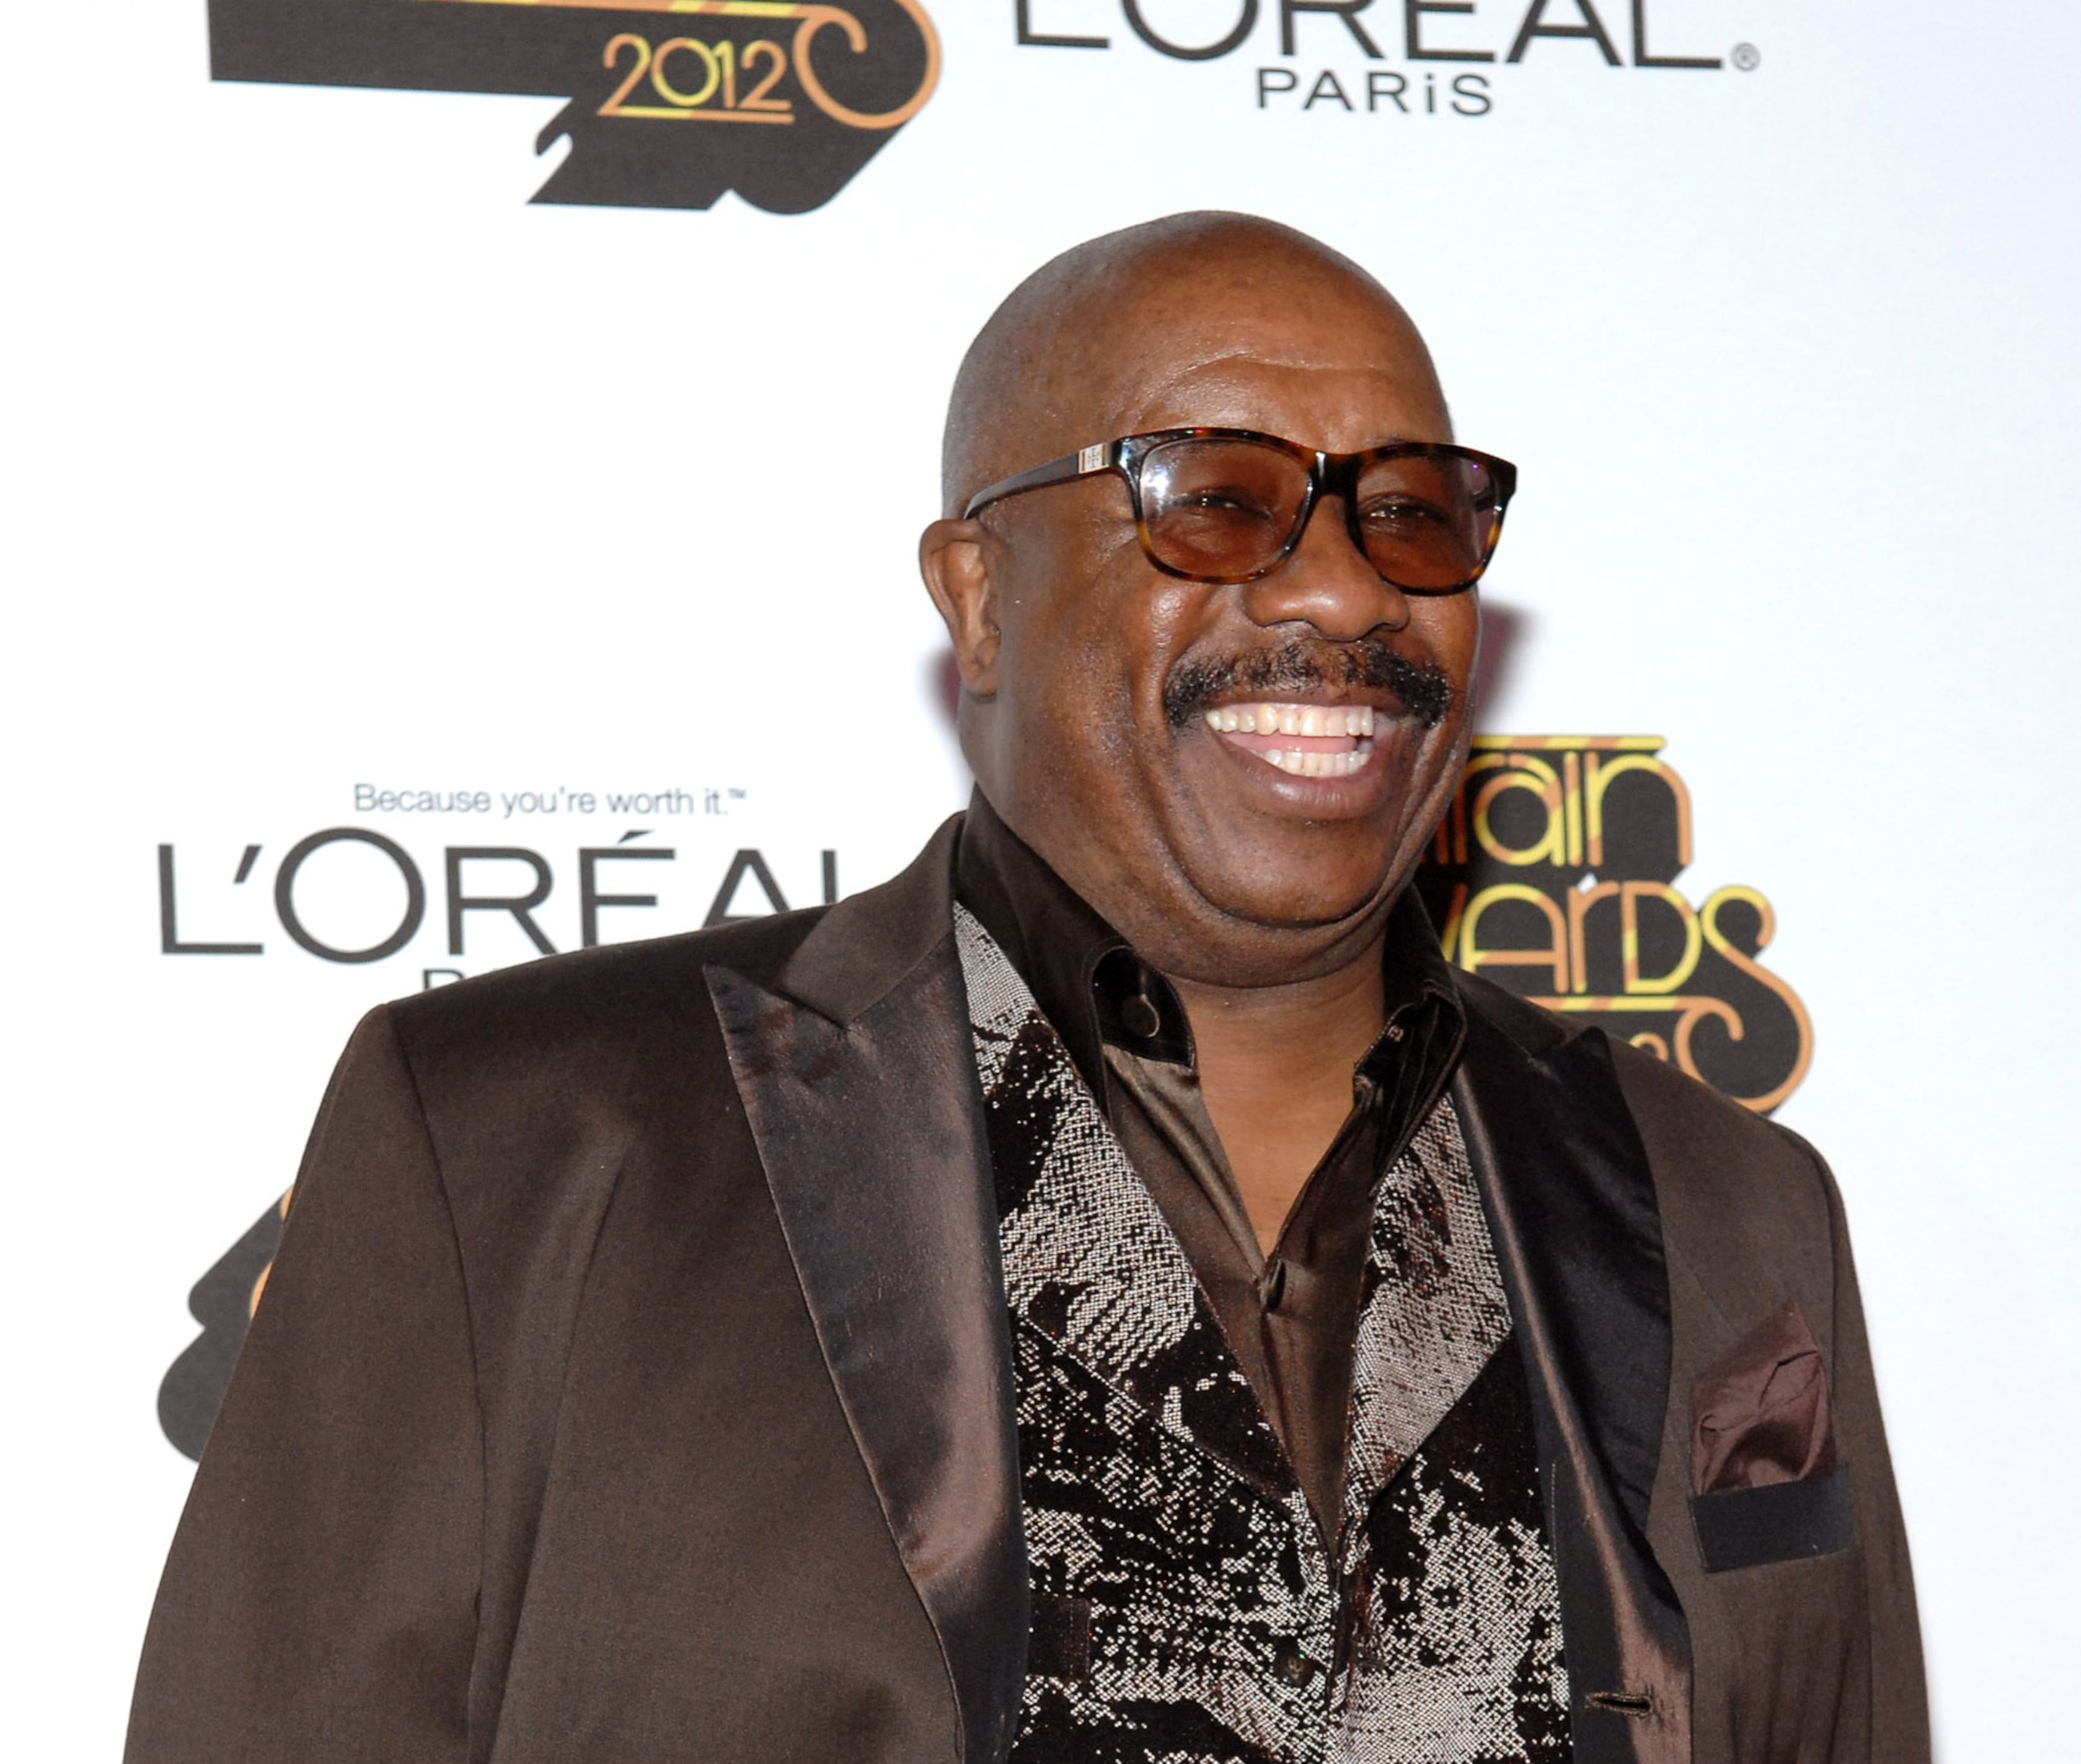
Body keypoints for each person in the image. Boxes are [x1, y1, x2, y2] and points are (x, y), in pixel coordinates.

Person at [126, 212, 1927, 1764]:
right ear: (979, 596)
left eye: (1412, 513)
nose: (1340, 590)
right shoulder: (527, 1142)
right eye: (1215, 500)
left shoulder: (1725, 1205)